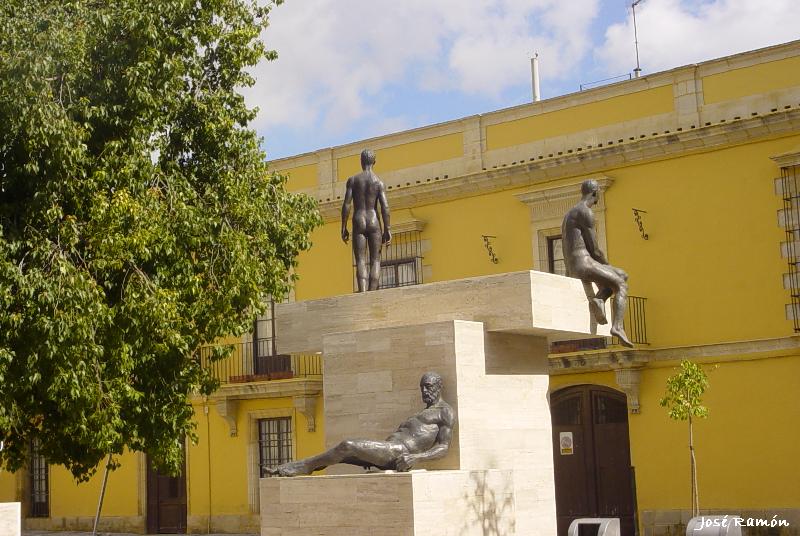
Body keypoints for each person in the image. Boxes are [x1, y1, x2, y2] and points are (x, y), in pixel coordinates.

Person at [265, 372, 455, 476]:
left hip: (400, 452)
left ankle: (301, 467)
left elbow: (444, 447)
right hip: (390, 450)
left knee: (347, 445)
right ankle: (295, 467)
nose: (423, 390)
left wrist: (416, 458)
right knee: (340, 454)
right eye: (422, 386)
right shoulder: (421, 412)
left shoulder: (444, 412)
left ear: (439, 387)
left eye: (428, 386)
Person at [561, 179, 634, 348]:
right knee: (621, 283)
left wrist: (611, 270)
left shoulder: (570, 213)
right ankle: (617, 327)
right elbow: (595, 250)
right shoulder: (585, 212)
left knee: (621, 274)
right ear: (595, 193)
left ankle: (599, 300)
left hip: (575, 264)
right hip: (583, 263)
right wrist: (608, 266)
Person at [341, 149, 391, 292]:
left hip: (358, 220)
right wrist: (387, 229)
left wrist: (343, 226)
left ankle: (363, 293)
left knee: (360, 261)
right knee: (375, 260)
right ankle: (372, 294)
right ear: (374, 162)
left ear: (361, 162)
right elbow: (385, 207)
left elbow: (347, 205)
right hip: (373, 220)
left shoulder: (353, 180)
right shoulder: (379, 182)